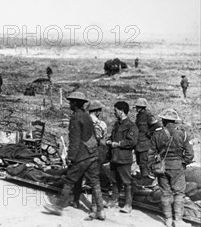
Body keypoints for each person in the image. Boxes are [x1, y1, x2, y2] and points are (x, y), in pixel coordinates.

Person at [44, 92, 105, 220]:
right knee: (95, 183)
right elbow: (93, 135)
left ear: (76, 103)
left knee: (69, 180)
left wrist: (70, 158)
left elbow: (75, 141)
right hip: (93, 153)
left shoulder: (76, 117)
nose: (70, 104)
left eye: (71, 102)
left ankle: (58, 207)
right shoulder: (87, 116)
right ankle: (100, 211)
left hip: (81, 156)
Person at [149, 109, 194, 227]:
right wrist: (183, 163)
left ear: (163, 120)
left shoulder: (157, 134)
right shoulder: (182, 133)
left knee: (165, 193)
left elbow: (150, 153)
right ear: (174, 121)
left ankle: (168, 219)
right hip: (177, 167)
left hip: (161, 167)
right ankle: (177, 221)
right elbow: (190, 154)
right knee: (179, 193)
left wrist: (153, 166)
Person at [107, 101, 138, 213]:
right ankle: (114, 201)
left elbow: (132, 142)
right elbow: (112, 136)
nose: (114, 112)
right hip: (114, 157)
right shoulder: (117, 124)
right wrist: (109, 141)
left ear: (121, 111)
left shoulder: (131, 126)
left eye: (115, 110)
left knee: (126, 181)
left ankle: (128, 204)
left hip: (124, 158)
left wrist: (119, 144)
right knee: (114, 180)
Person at [134, 98, 155, 185]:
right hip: (138, 142)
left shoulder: (148, 115)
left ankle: (146, 179)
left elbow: (156, 126)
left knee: (144, 161)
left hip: (145, 142)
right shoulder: (138, 116)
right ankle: (144, 176)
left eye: (139, 107)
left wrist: (149, 134)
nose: (137, 108)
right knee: (139, 161)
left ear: (143, 107)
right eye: (137, 107)